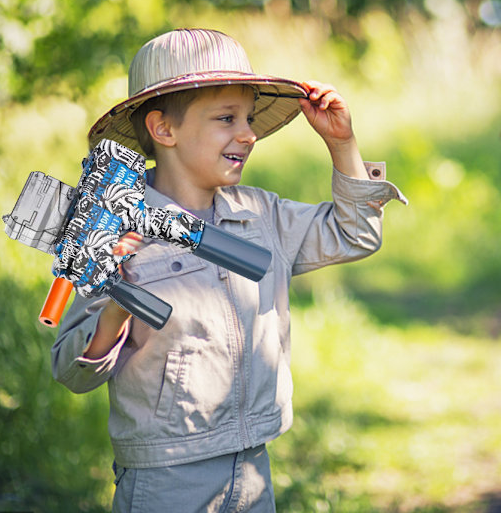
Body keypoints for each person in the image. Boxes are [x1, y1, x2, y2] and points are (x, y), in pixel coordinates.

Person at [51, 28, 406, 512]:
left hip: (254, 467)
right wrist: (116, 302)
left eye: (249, 118)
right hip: (166, 477)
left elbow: (355, 234)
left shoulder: (262, 216)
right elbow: (73, 370)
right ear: (163, 129)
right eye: (226, 118)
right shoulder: (114, 229)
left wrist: (343, 146)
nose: (248, 134)